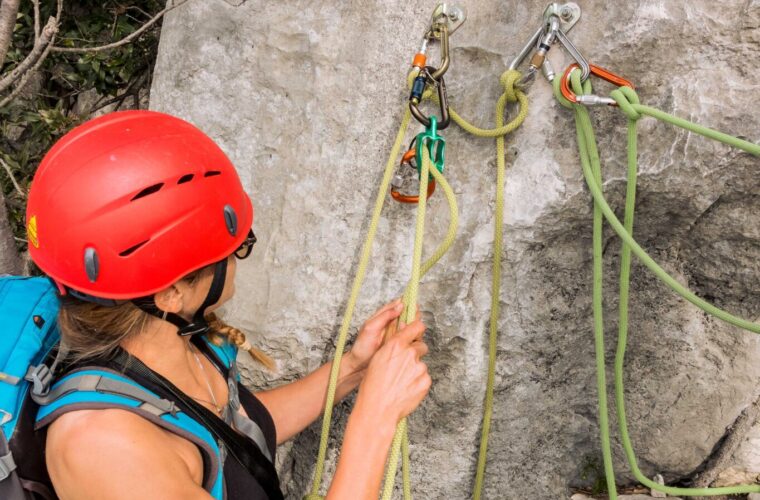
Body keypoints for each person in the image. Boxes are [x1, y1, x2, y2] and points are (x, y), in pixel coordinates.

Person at [25, 110, 431, 499]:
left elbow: (233, 431)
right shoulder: (105, 448)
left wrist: (354, 368)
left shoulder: (167, 340)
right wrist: (376, 417)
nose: (236, 255)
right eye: (232, 249)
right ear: (171, 293)